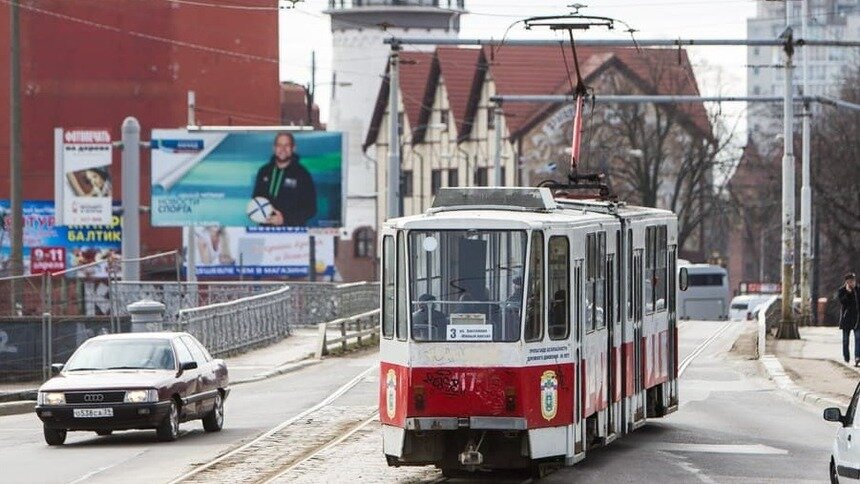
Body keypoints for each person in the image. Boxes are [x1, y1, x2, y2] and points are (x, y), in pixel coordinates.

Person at [252, 132, 317, 226]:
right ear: (274, 148)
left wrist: (285, 219)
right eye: (279, 145)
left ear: (293, 148)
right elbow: (256, 199)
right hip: (265, 230)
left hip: (292, 233)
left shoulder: (302, 174)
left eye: (287, 145)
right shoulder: (264, 171)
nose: (282, 149)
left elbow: (311, 209)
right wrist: (258, 215)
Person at [838, 272, 860, 365]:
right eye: (850, 281)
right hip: (846, 318)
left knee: (858, 339)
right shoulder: (842, 290)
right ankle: (846, 357)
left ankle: (857, 357)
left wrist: (854, 292)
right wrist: (849, 293)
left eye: (853, 281)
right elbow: (843, 302)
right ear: (846, 282)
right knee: (845, 340)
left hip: (857, 319)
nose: (852, 283)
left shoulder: (858, 289)